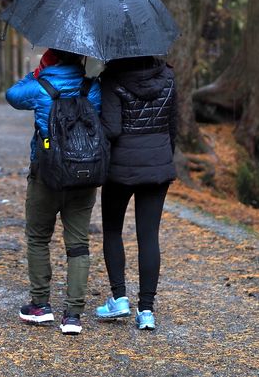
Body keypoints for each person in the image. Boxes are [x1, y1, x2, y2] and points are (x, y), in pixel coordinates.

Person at [5, 48, 102, 335]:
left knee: (38, 238)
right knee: (78, 243)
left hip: (46, 172)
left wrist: (35, 73)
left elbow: (12, 95)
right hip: (84, 172)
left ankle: (40, 306)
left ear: (50, 60)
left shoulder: (39, 86)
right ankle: (73, 315)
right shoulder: (92, 87)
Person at [94, 55, 177, 330]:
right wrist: (164, 157)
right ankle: (147, 311)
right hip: (158, 166)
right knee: (149, 235)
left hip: (121, 169)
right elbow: (173, 124)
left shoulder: (112, 78)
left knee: (113, 230)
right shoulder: (168, 77)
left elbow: (113, 129)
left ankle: (119, 298)